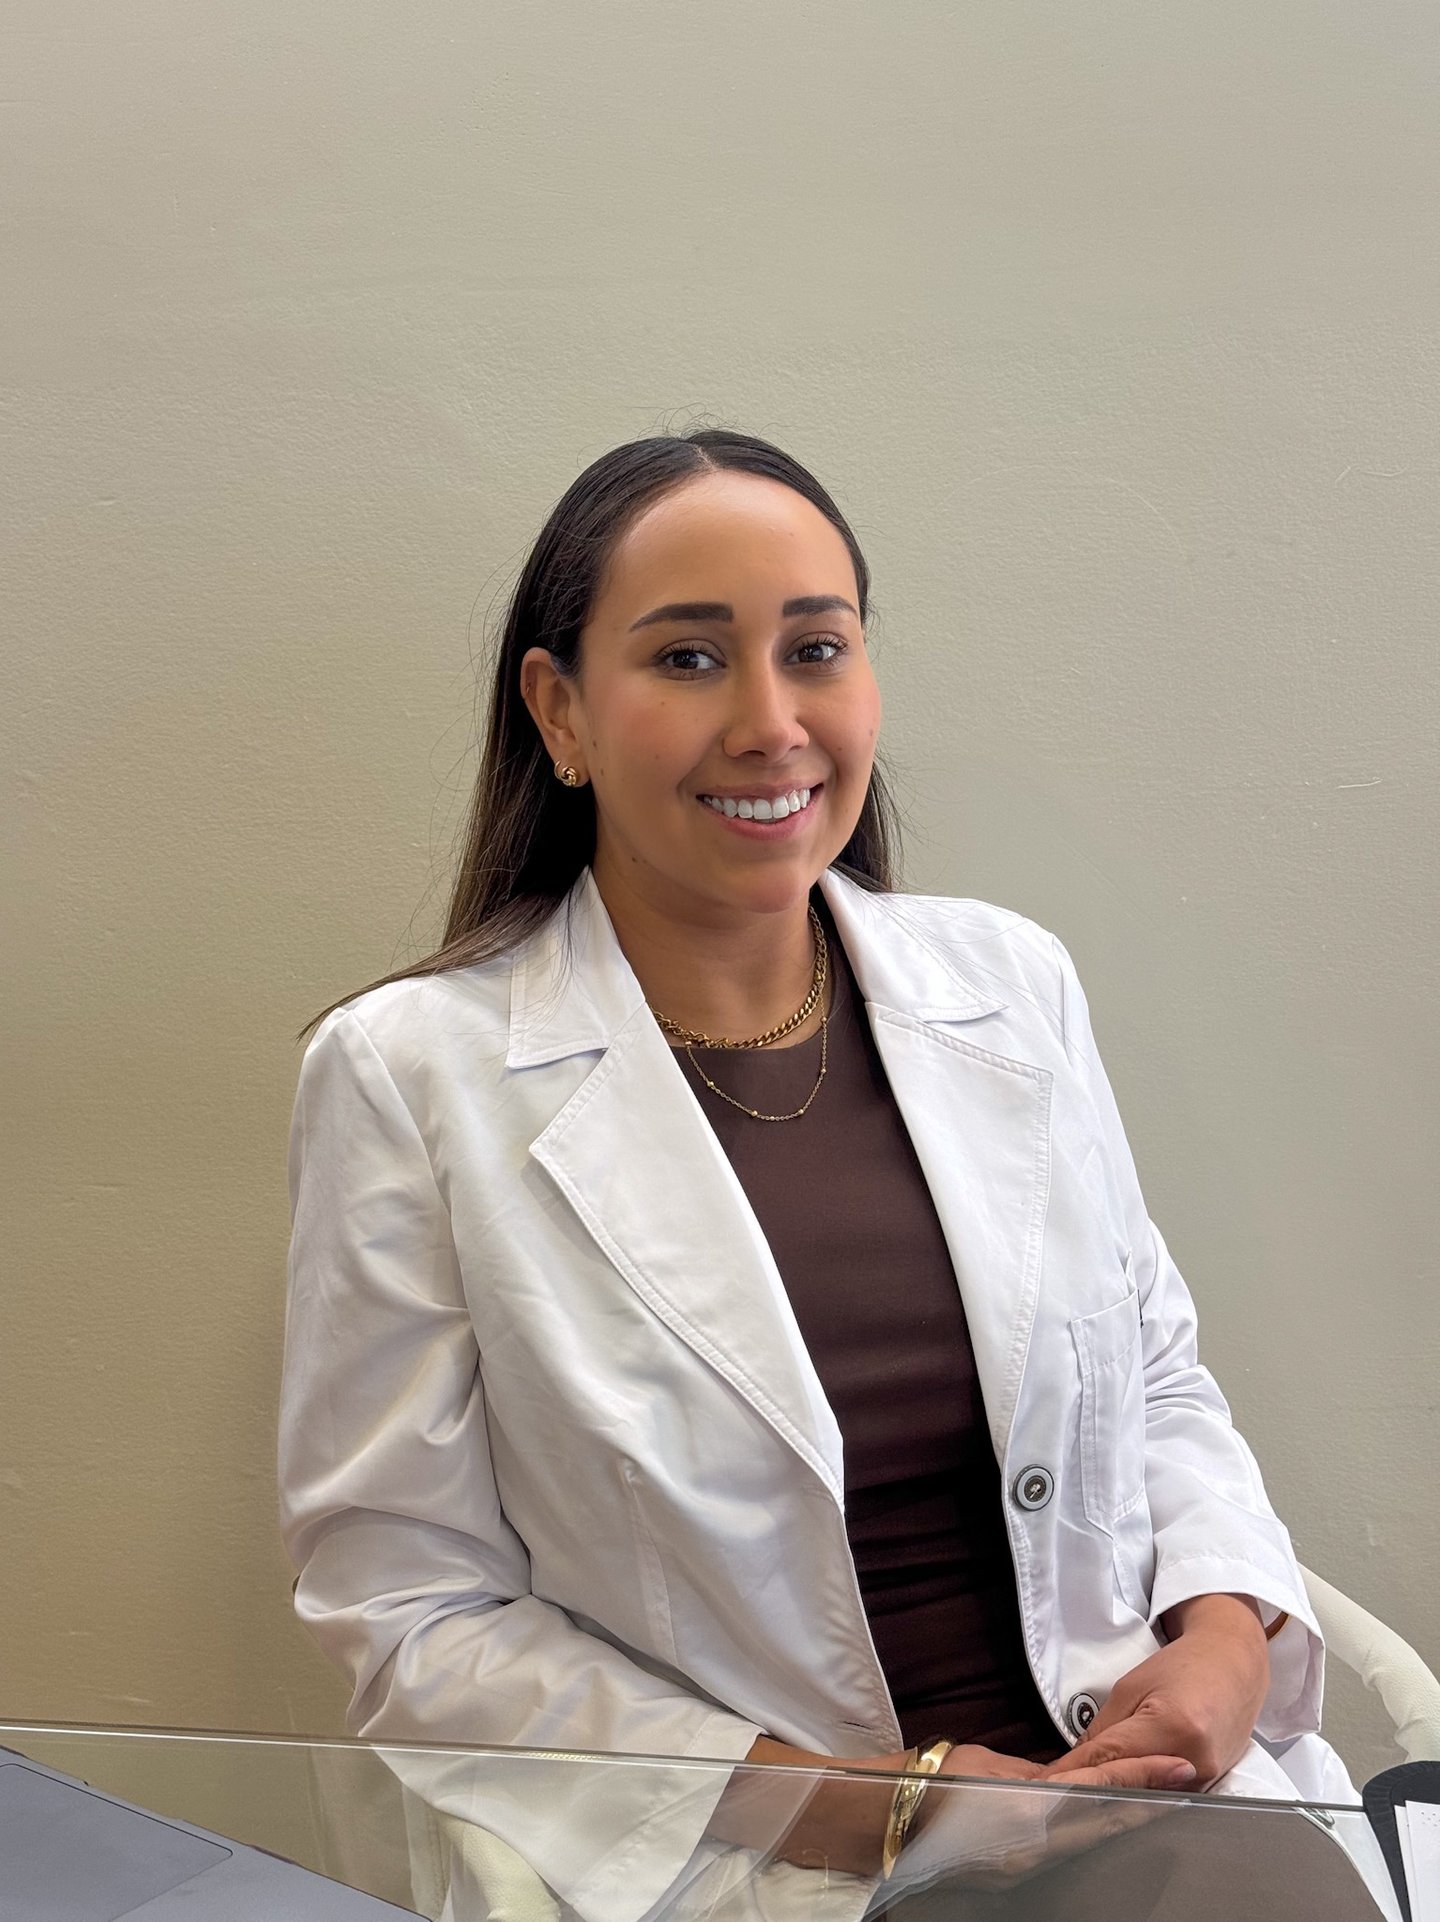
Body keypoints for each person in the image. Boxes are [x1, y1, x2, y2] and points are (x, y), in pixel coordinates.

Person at [277, 430, 1360, 1922]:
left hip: (1147, 1798)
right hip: (776, 1855)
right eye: (689, 659)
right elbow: (410, 1611)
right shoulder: (409, 1075)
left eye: (816, 647)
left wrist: (1230, 1637)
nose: (772, 721)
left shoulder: (1010, 984)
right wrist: (866, 1802)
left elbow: (1155, 1378)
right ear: (560, 711)